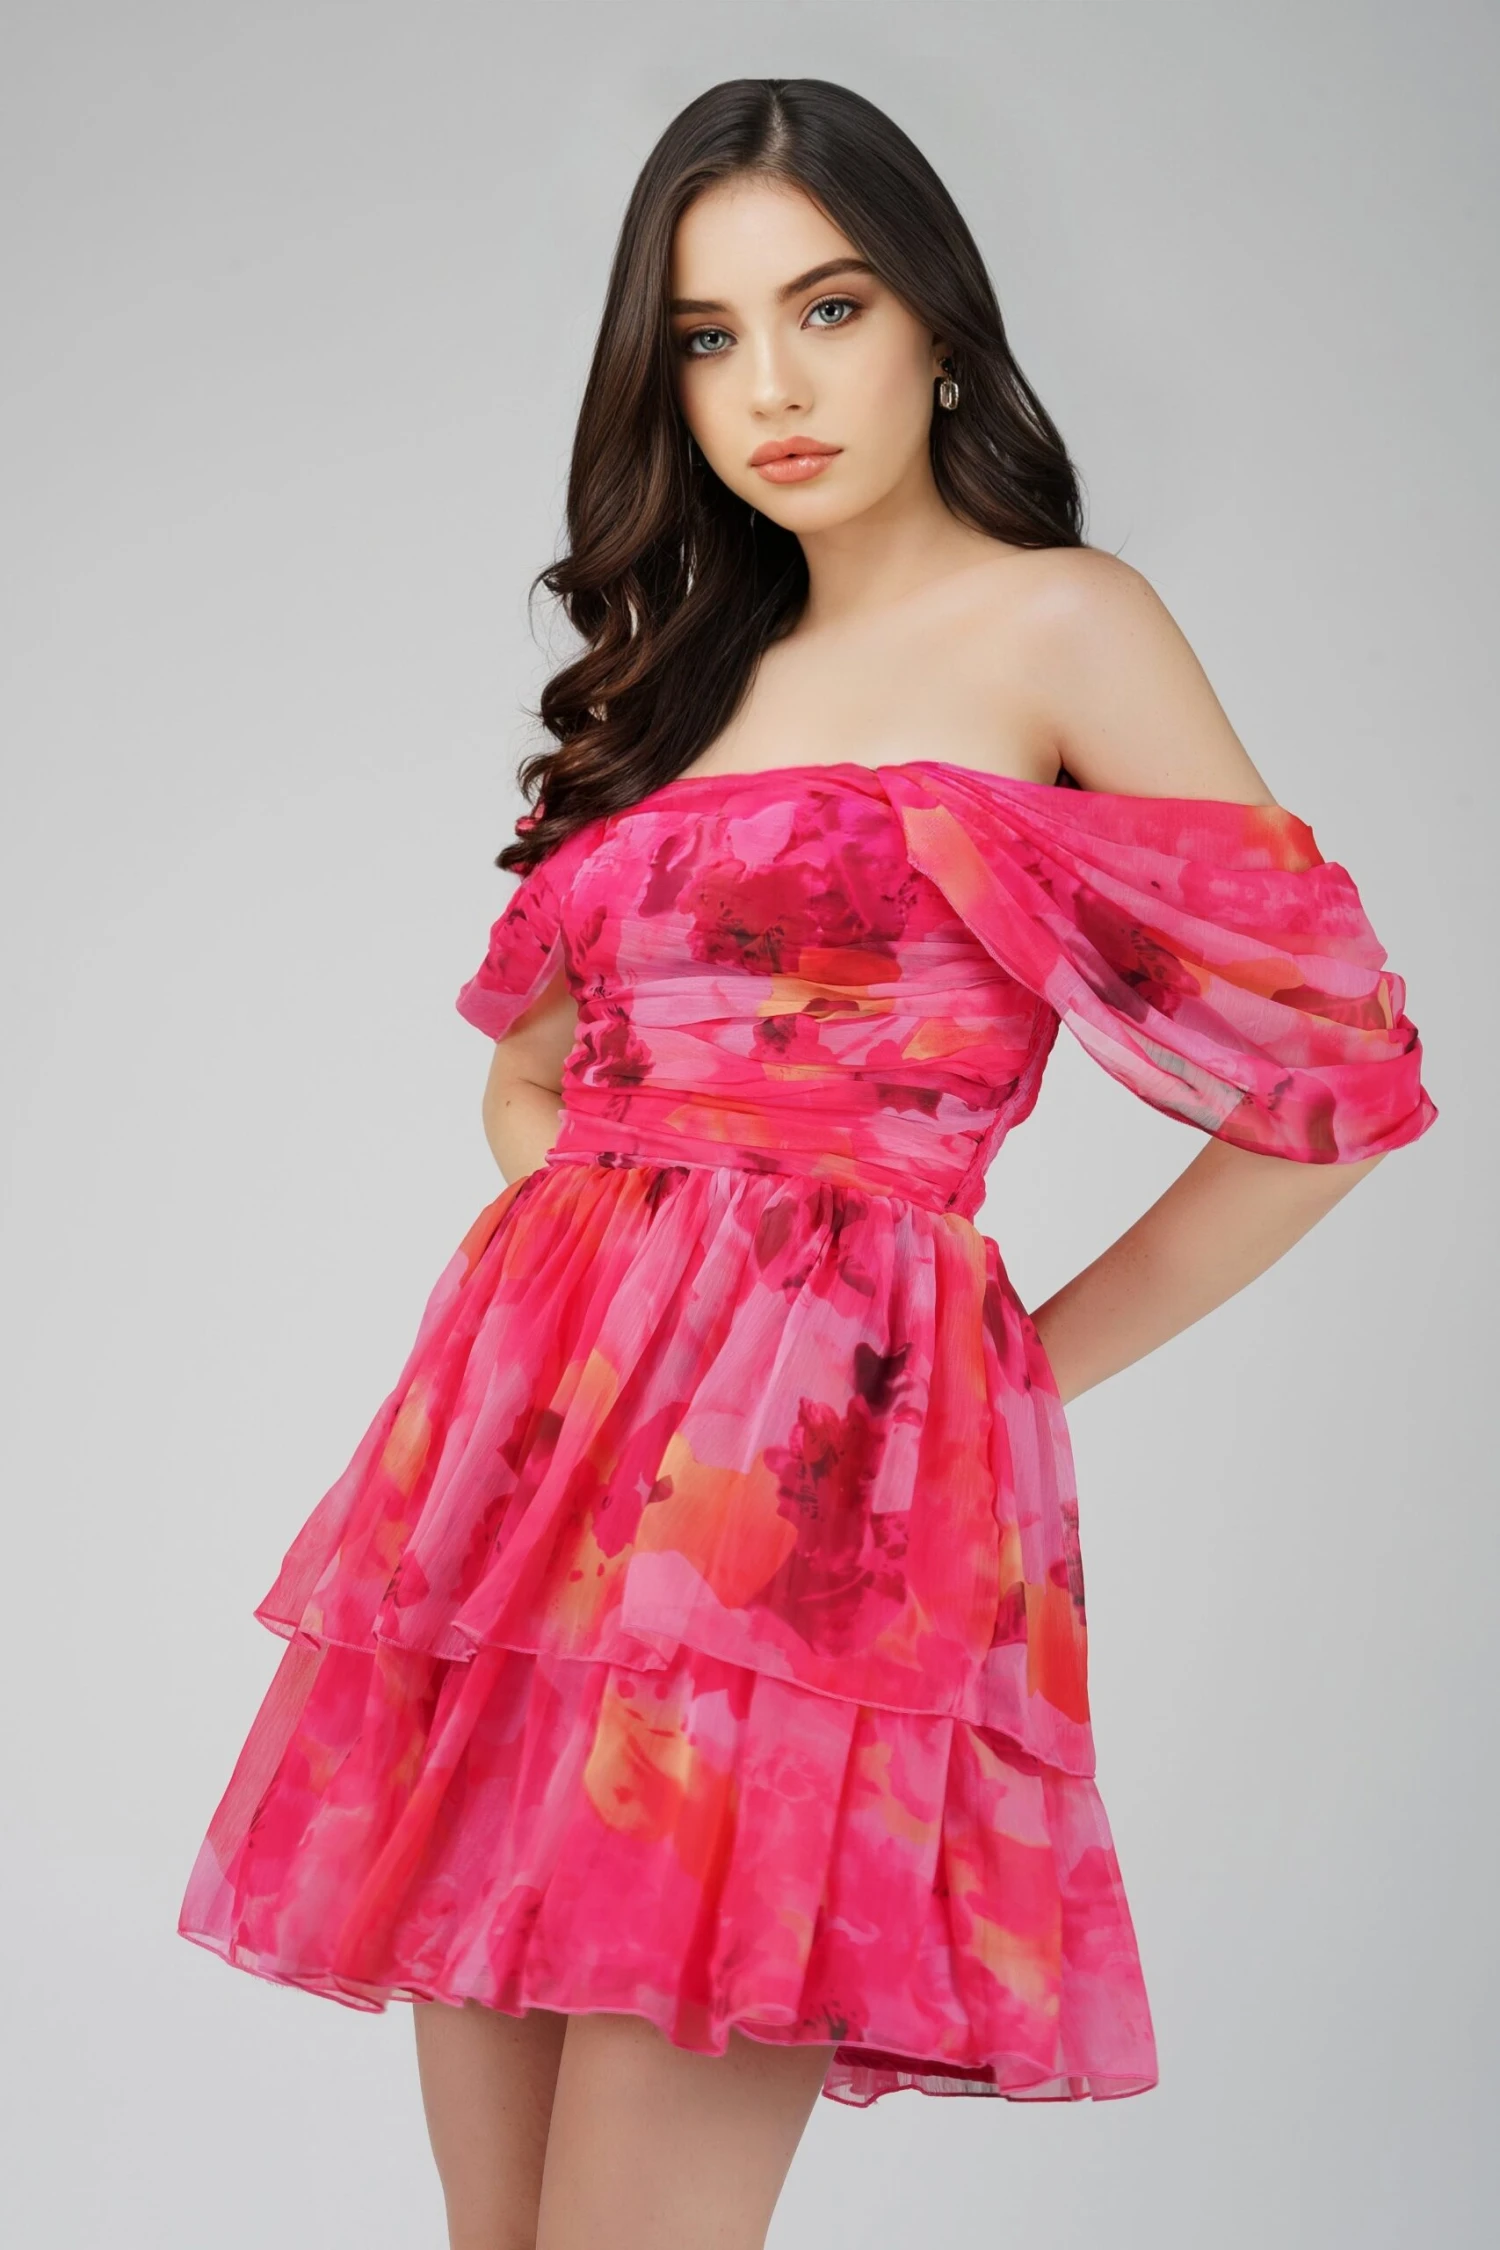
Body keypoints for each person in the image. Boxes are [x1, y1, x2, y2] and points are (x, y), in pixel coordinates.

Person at [177, 76, 1438, 2250]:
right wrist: (586, 1231)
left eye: (827, 307)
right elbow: (537, 1067)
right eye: (708, 334)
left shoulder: (1064, 624)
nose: (769, 384)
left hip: (790, 1524)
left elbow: (1335, 1085)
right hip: (524, 1487)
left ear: (938, 324)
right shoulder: (682, 670)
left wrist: (1004, 1367)